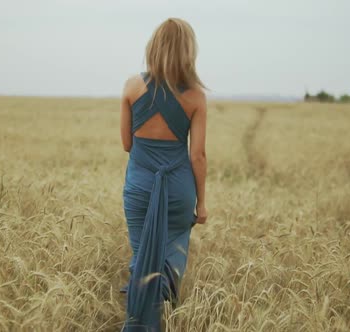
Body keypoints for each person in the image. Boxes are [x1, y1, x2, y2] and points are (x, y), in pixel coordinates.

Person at [119, 18, 208, 331]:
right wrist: (202, 204)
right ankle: (162, 320)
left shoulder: (131, 87)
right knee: (170, 261)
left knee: (142, 256)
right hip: (178, 190)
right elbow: (197, 155)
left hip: (140, 187)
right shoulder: (196, 97)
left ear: (153, 48)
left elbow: (127, 144)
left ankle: (137, 321)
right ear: (188, 52)